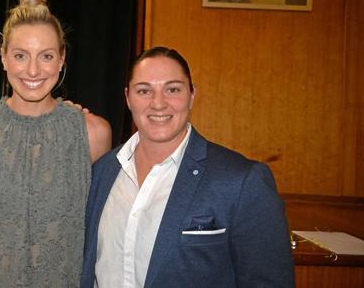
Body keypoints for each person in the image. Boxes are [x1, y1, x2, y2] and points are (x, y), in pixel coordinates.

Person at [0, 0, 112, 287]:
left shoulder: (93, 133)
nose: (32, 70)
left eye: (46, 56)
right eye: (20, 55)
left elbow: (104, 225)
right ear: (3, 57)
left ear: (61, 59)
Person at [81, 47, 294, 287]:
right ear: (128, 98)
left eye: (172, 89)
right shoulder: (102, 172)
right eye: (144, 91)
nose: (158, 103)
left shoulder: (241, 181)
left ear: (192, 95)